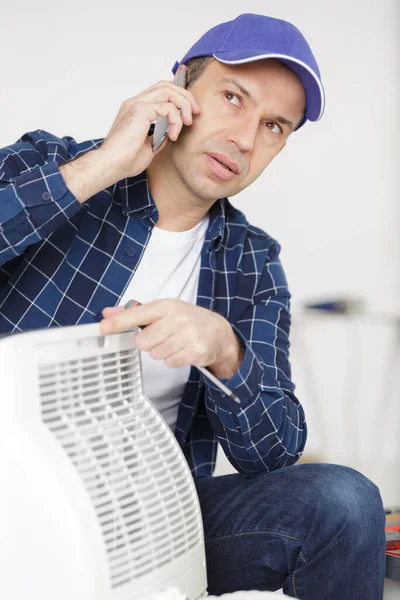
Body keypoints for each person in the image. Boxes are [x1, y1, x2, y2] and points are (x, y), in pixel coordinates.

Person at [0, 12, 385, 599]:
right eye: (233, 97)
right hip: (17, 506)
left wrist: (226, 351)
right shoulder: (49, 165)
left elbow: (275, 452)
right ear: (178, 87)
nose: (247, 139)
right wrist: (104, 164)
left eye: (275, 127)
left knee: (344, 501)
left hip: (153, 522)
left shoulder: (252, 261)